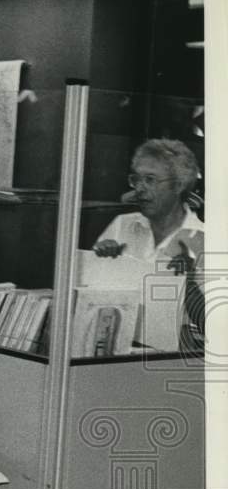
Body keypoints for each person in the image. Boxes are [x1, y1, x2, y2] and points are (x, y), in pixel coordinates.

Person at [93, 138, 205, 343]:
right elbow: (89, 302)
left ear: (178, 185)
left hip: (173, 357)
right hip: (115, 350)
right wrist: (98, 264)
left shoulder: (205, 240)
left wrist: (188, 283)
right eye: (136, 179)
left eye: (150, 180)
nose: (140, 188)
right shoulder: (121, 225)